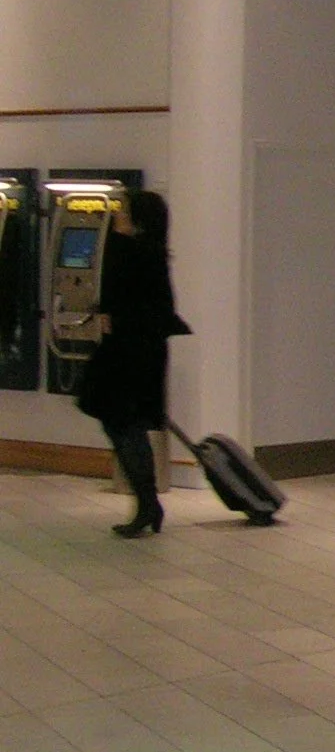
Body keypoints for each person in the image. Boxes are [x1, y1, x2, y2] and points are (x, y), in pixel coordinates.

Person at [81, 192, 186, 537]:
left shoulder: (129, 251)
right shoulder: (153, 254)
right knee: (128, 424)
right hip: (142, 354)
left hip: (127, 355)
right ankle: (147, 503)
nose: (118, 217)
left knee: (123, 424)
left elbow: (115, 299)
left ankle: (147, 504)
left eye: (123, 211)